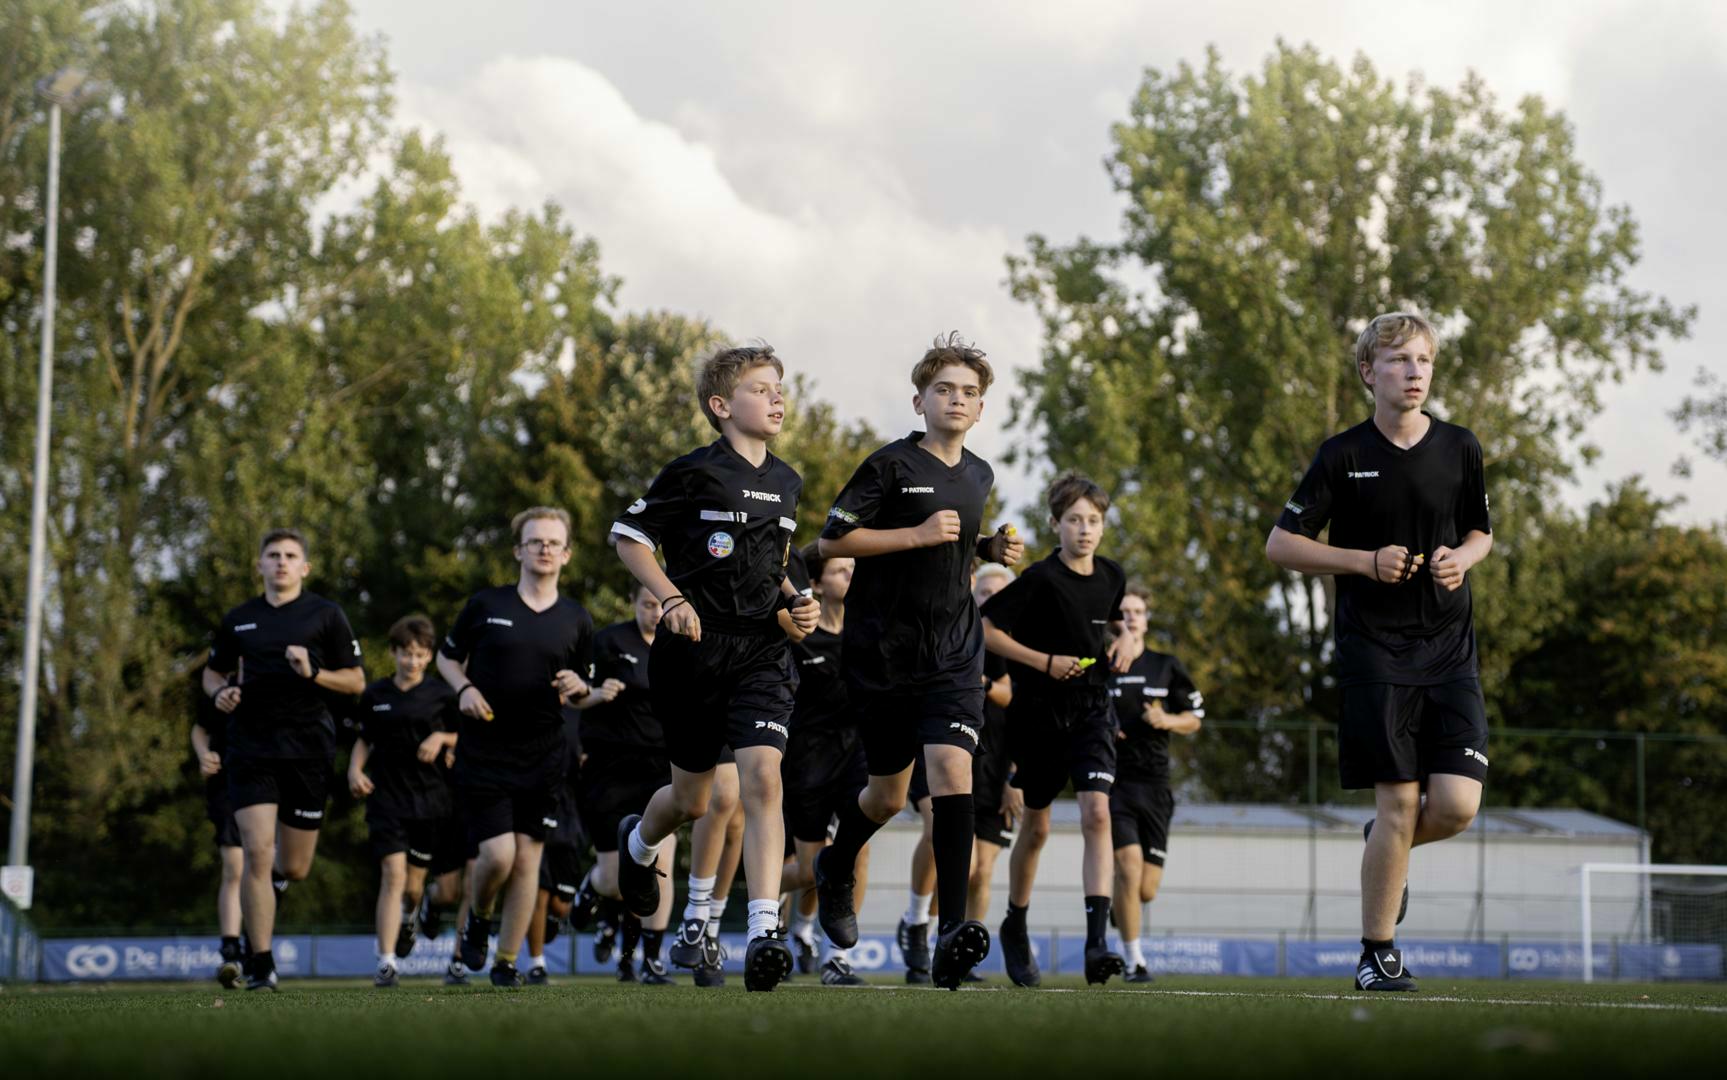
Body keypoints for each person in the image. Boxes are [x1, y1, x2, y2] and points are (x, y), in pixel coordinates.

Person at [1265, 311, 1493, 993]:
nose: (1413, 372)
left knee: (1453, 806)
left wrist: (1464, 559)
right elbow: (1281, 544)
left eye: (1422, 360)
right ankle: (1376, 952)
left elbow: (1481, 530)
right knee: (1398, 804)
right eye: (1397, 361)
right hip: (1374, 654)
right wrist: (1362, 561)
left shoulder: (1459, 446)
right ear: (1368, 372)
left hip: (1451, 650)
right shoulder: (1341, 454)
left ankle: (1382, 847)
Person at [813, 332, 1024, 990]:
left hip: (953, 651)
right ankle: (835, 864)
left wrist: (988, 548)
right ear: (919, 400)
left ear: (981, 408)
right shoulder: (889, 467)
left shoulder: (981, 474)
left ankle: (953, 931)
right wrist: (916, 533)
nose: (956, 400)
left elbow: (952, 549)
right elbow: (831, 538)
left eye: (968, 393)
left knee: (952, 772)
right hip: (881, 652)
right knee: (888, 794)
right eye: (944, 390)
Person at [610, 343, 820, 993]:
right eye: (762, 388)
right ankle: (638, 847)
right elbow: (630, 537)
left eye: (780, 387)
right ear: (721, 406)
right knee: (693, 800)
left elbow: (777, 558)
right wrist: (671, 599)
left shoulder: (788, 480)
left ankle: (762, 933)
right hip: (692, 651)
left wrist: (797, 601)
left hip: (761, 651)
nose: (777, 397)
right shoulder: (692, 473)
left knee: (762, 779)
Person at [982, 472, 1131, 987]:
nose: (1084, 529)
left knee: (1096, 813)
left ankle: (1096, 944)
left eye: (1093, 520)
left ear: (1104, 526)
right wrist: (1042, 662)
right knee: (1038, 827)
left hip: (1093, 709)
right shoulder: (1041, 579)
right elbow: (985, 628)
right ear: (1055, 524)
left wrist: (1125, 640)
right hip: (1039, 711)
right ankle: (1015, 923)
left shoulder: (1113, 576)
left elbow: (1113, 622)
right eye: (1074, 520)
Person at [437, 507, 594, 988]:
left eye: (553, 542)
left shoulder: (577, 620)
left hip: (544, 755)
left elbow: (584, 686)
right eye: (535, 542)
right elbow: (446, 659)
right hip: (485, 749)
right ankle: (480, 916)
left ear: (565, 555)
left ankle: (507, 960)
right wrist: (463, 689)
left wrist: (578, 686)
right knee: (498, 856)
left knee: (529, 859)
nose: (544, 549)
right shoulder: (486, 605)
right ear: (518, 551)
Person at [202, 528, 365, 991]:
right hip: (250, 747)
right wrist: (221, 693)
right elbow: (212, 674)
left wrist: (314, 673)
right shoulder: (240, 619)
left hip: (308, 750)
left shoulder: (326, 615)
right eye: (273, 555)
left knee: (293, 867)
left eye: (291, 556)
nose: (281, 562)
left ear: (305, 567)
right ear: (259, 565)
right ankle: (261, 961)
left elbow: (356, 682)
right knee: (256, 851)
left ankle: (273, 888)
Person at [571, 584, 678, 985]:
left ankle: (649, 959)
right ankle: (593, 887)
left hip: (661, 770)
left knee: (659, 862)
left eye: (661, 605)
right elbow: (574, 694)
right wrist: (596, 694)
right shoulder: (607, 642)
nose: (655, 612)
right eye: (647, 604)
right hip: (610, 768)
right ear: (632, 601)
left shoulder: (682, 645)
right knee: (618, 878)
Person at [348, 614, 460, 988]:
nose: (413, 660)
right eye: (406, 653)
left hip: (431, 802)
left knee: (413, 888)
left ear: (429, 657)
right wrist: (355, 770)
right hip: (387, 800)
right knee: (392, 876)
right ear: (394, 652)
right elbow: (365, 739)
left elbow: (467, 737)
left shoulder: (443, 696)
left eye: (420, 654)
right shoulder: (375, 695)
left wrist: (442, 740)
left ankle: (411, 915)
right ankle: (386, 962)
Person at [776, 543, 870, 986]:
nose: (850, 576)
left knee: (858, 846)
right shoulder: (799, 634)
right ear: (816, 583)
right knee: (809, 870)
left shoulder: (869, 630)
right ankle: (763, 904)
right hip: (807, 760)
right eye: (840, 569)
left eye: (854, 568)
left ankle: (839, 958)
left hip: (858, 755)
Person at [1108, 584, 1204, 983]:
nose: (1131, 617)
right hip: (1115, 783)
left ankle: (1122, 904)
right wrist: (1104, 727)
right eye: (1124, 611)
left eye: (1138, 611)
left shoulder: (1166, 665)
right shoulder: (1101, 663)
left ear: (1146, 619)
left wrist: (1168, 720)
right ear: (1115, 621)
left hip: (1157, 787)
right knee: (1127, 869)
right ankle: (1134, 961)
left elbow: (1195, 717)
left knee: (1144, 889)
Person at [965, 565, 1019, 950]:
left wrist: (1014, 779)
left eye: (999, 593)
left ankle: (966, 947)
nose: (991, 600)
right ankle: (927, 928)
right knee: (960, 865)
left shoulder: (1022, 650)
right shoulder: (960, 638)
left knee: (982, 872)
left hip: (999, 773)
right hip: (958, 764)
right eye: (984, 592)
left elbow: (1013, 701)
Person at [189, 673, 245, 989]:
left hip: (270, 782)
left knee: (269, 870)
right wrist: (204, 755)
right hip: (227, 785)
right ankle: (231, 951)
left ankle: (258, 949)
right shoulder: (219, 687)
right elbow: (200, 728)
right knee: (234, 868)